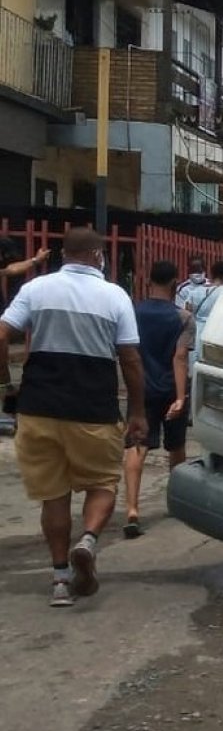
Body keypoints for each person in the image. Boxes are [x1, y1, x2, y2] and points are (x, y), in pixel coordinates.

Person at [0, 228, 147, 607]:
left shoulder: (37, 289)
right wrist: (137, 412)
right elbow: (130, 359)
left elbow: (2, 334)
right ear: (98, 255)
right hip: (93, 410)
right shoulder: (115, 296)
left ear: (65, 254)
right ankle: (89, 540)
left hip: (38, 407)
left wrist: (6, 387)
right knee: (102, 484)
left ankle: (61, 580)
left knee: (54, 495)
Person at [123, 260, 195, 539]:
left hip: (140, 388)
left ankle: (131, 509)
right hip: (169, 389)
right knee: (176, 448)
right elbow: (180, 357)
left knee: (136, 445)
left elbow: (126, 350)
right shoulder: (183, 317)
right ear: (175, 283)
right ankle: (176, 504)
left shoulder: (132, 312)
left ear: (148, 280)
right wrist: (179, 397)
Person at [188, 259, 223, 372]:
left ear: (211, 274)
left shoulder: (195, 292)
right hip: (217, 333)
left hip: (196, 332)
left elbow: (187, 311)